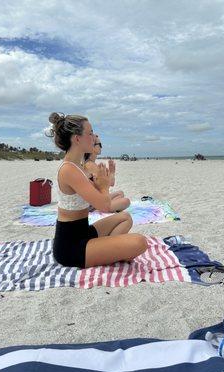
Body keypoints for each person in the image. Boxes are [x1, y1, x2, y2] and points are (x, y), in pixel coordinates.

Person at [47, 112, 148, 269]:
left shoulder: (78, 166)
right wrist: (104, 185)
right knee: (140, 242)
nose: (94, 138)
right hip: (71, 248)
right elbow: (105, 206)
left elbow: (99, 197)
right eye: (90, 133)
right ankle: (111, 251)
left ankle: (109, 250)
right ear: (77, 138)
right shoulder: (69, 170)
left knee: (125, 217)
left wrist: (105, 181)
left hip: (83, 232)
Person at [83, 135, 130, 212]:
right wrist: (111, 173)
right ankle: (101, 209)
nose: (101, 147)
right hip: (92, 203)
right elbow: (110, 183)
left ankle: (107, 207)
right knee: (126, 201)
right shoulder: (90, 165)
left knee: (120, 193)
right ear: (92, 147)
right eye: (99, 145)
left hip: (95, 199)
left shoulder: (90, 163)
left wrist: (112, 173)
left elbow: (111, 183)